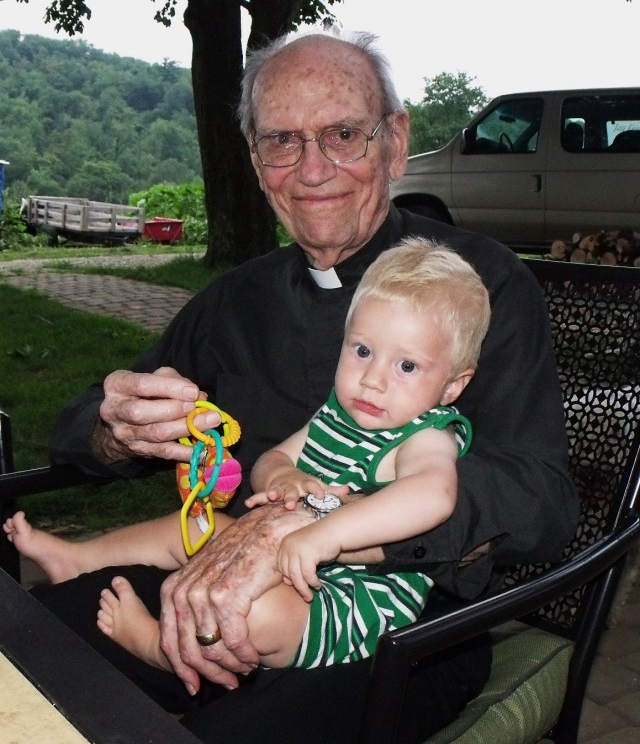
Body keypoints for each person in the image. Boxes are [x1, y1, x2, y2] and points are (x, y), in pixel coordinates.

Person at [31, 27, 580, 744]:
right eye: (283, 141)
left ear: (395, 140)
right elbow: (79, 432)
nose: (313, 169)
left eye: (343, 134)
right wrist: (113, 426)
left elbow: (543, 501)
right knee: (29, 650)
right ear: (256, 163)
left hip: (404, 626)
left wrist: (320, 524)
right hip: (218, 584)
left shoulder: (477, 287)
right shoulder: (235, 300)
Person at [7, 239, 491, 673]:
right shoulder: (339, 412)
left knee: (254, 612)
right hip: (292, 564)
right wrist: (288, 475)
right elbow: (268, 462)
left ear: (452, 386)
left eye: (406, 365)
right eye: (362, 350)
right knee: (200, 524)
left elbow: (432, 498)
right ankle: (80, 557)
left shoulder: (427, 436)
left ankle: (158, 646)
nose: (373, 378)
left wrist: (326, 534)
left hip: (347, 607)